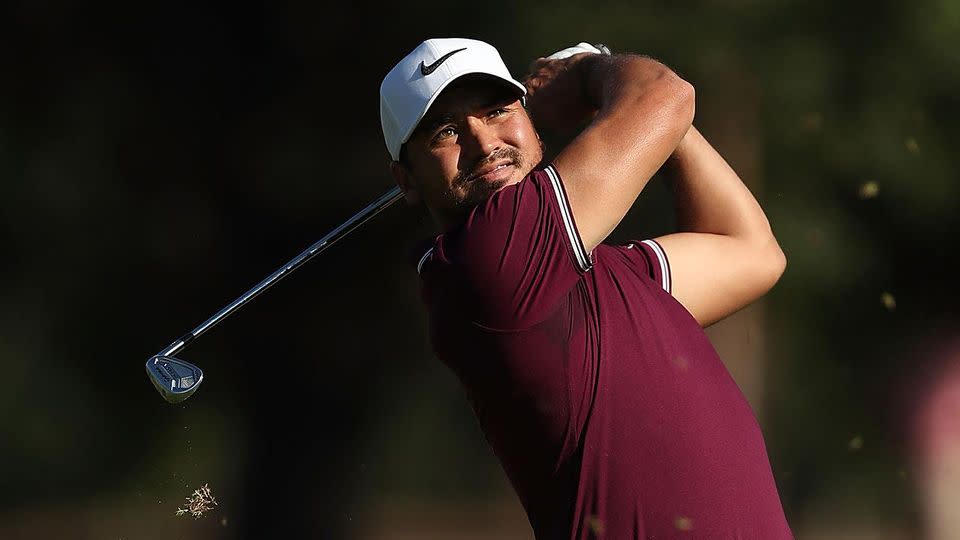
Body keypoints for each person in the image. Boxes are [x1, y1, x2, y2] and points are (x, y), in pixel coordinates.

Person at [380, 37, 792, 539]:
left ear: (531, 123)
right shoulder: (484, 264)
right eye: (447, 131)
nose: (485, 144)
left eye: (496, 111)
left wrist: (663, 124)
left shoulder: (593, 273)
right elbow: (666, 95)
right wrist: (591, 73)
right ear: (406, 180)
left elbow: (751, 251)